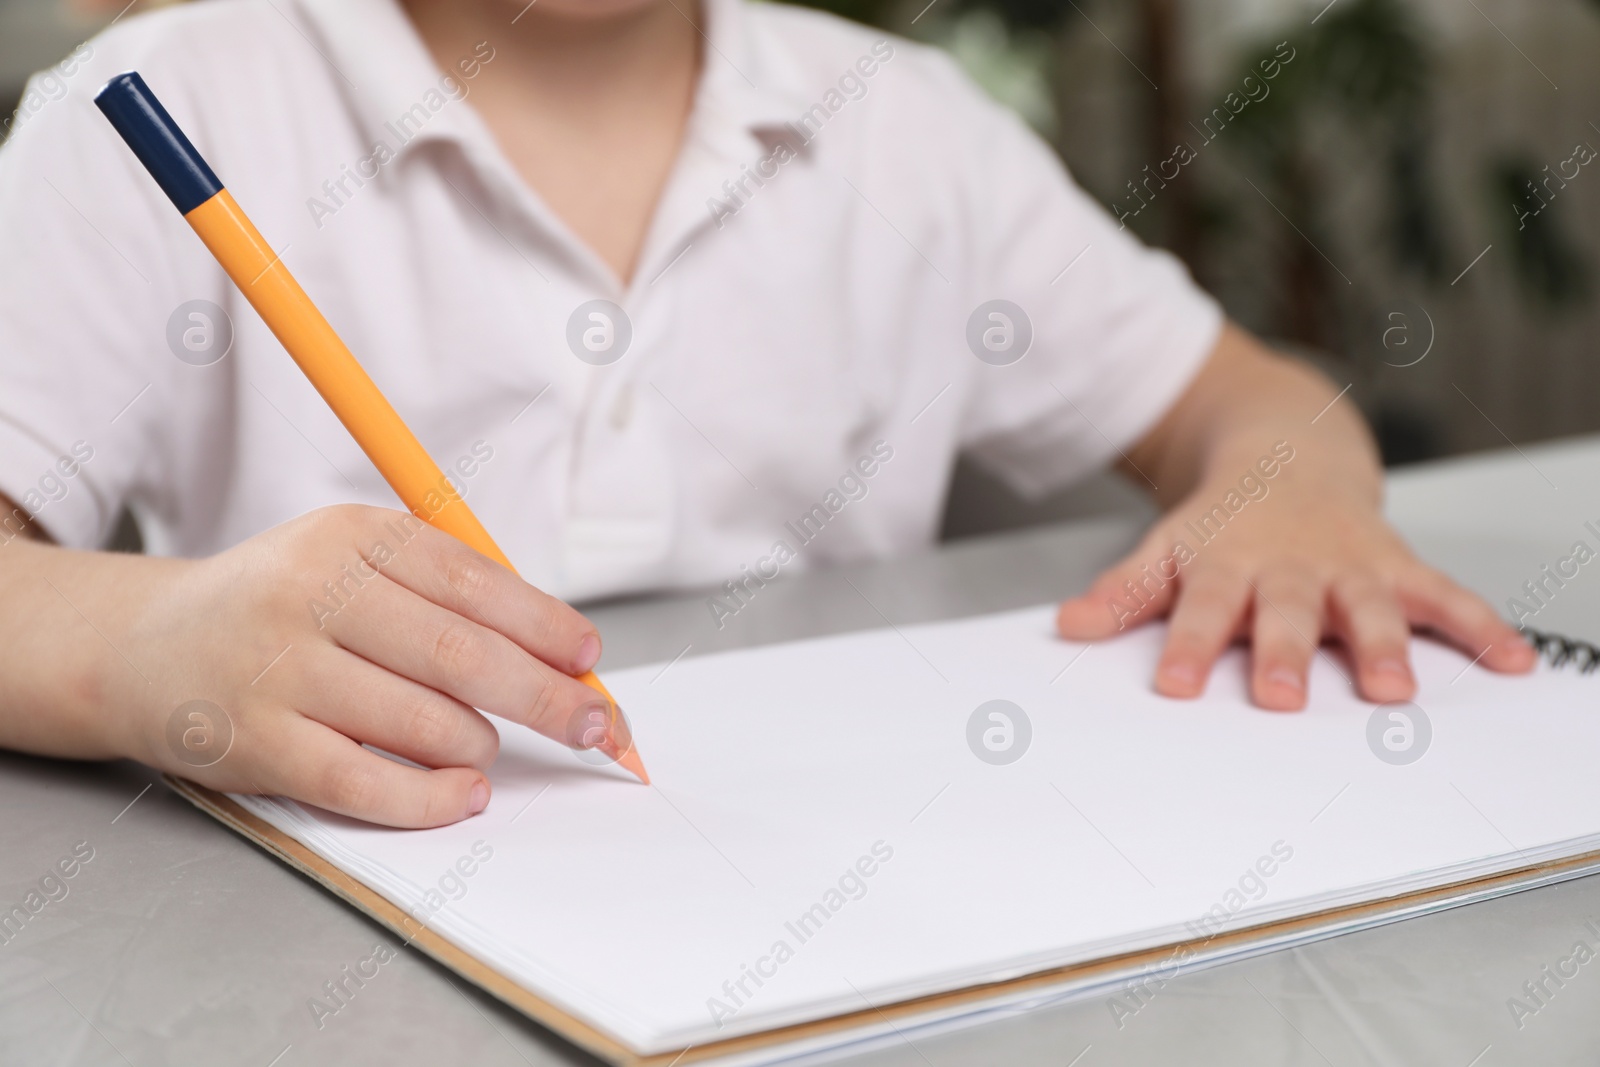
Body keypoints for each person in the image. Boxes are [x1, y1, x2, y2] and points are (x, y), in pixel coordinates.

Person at [0, 0, 1533, 827]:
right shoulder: (156, 105)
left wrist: (1294, 487)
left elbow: (1242, 398)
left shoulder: (907, 126)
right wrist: (142, 648)